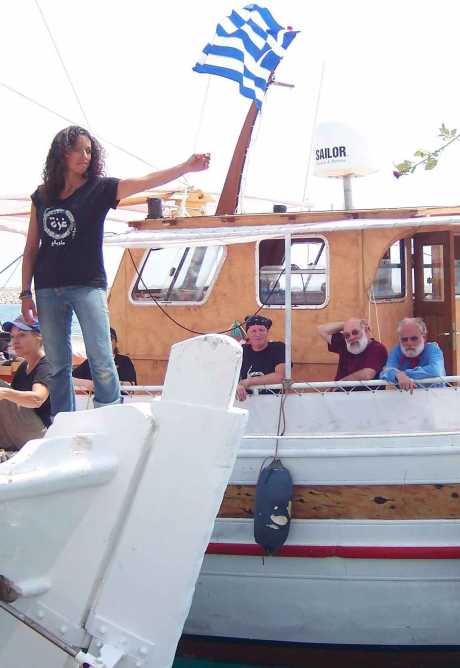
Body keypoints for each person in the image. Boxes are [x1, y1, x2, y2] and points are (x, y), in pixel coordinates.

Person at [20, 125, 210, 418]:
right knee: (58, 366)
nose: (84, 156)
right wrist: (25, 293)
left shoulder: (100, 188)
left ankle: (107, 419)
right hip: (47, 289)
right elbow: (32, 247)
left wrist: (186, 166)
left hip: (87, 285)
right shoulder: (42, 196)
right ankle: (63, 424)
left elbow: (145, 181)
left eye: (88, 150)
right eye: (77, 150)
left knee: (102, 360)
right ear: (62, 153)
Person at [0, 315, 51, 457]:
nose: (14, 341)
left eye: (22, 335)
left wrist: (4, 392)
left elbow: (37, 399)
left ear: (39, 337)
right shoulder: (23, 366)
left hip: (40, 434)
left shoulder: (47, 365)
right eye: (12, 336)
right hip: (22, 431)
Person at [380, 317, 446, 391]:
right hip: (406, 399)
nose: (409, 343)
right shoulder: (397, 351)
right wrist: (397, 375)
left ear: (423, 337)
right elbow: (384, 373)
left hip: (436, 398)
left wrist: (403, 374)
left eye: (414, 339)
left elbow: (435, 370)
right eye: (404, 339)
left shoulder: (433, 349)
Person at [318, 318, 387, 386]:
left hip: (368, 395)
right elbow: (322, 330)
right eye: (347, 335)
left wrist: (340, 383)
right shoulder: (345, 343)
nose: (351, 337)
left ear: (365, 331)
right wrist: (346, 324)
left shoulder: (377, 348)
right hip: (340, 394)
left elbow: (367, 375)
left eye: (355, 332)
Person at [236, 315, 286, 402]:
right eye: (253, 331)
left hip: (275, 402)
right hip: (246, 402)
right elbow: (229, 374)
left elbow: (280, 377)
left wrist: (247, 382)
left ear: (267, 332)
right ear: (248, 334)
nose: (258, 334)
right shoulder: (241, 350)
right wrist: (236, 385)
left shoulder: (278, 348)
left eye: (261, 330)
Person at [73, 327, 137, 391]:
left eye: (110, 338)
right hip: (94, 399)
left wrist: (108, 384)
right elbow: (70, 379)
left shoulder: (124, 361)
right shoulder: (90, 362)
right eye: (102, 339)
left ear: (116, 342)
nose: (107, 342)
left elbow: (132, 385)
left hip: (120, 399)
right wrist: (87, 383)